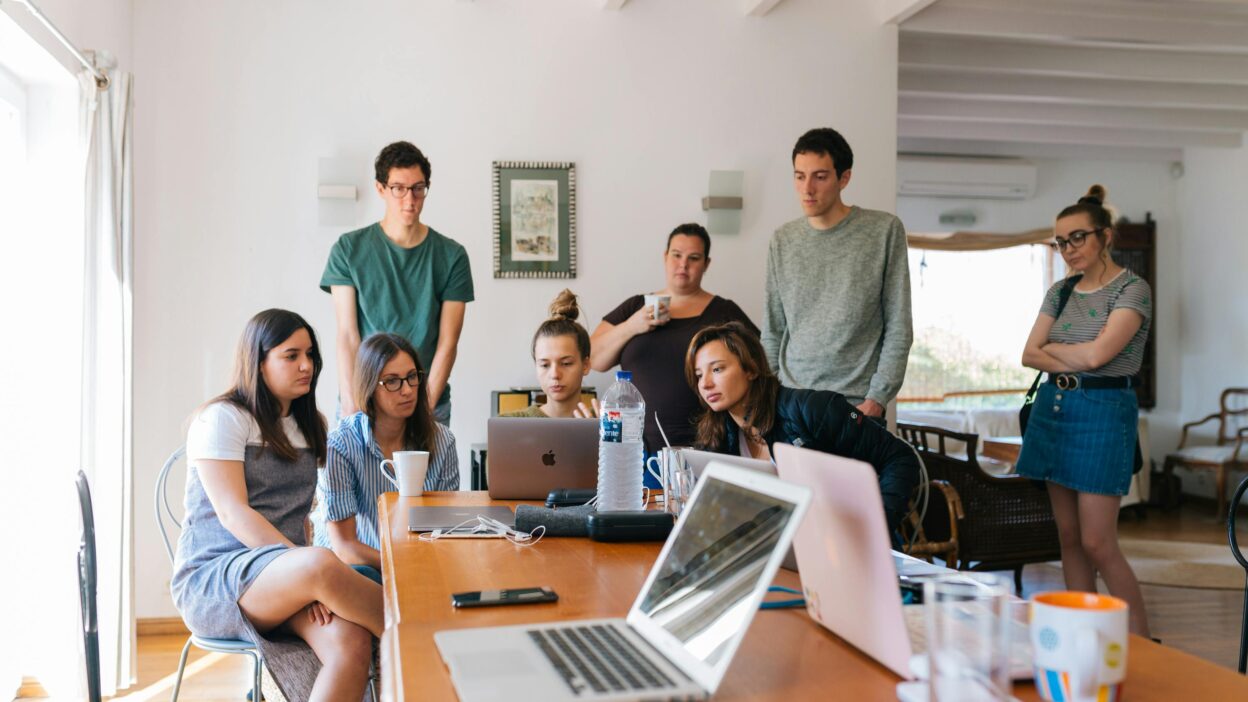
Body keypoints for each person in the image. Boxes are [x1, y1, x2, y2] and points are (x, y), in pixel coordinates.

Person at [173, 309, 380, 701]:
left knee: (350, 640)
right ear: (259, 360)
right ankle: (430, 639)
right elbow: (235, 514)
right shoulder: (223, 418)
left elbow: (301, 516)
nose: (307, 365)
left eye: (311, 355)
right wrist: (304, 571)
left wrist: (304, 576)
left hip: (287, 579)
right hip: (217, 579)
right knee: (321, 562)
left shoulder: (311, 425)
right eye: (291, 355)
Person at [1018, 185, 1152, 637]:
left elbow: (1099, 358)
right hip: (1054, 410)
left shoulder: (1133, 289)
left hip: (1103, 413)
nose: (1068, 249)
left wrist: (1057, 349)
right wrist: (1070, 352)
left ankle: (1140, 641)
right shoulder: (1060, 291)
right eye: (1060, 241)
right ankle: (1083, 634)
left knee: (1098, 541)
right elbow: (1029, 355)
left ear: (1105, 237)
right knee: (1069, 539)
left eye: (1078, 237)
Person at [686, 321, 919, 535]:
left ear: (751, 369)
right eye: (699, 375)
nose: (705, 384)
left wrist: (875, 528)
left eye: (717, 369)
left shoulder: (814, 409)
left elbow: (900, 457)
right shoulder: (717, 434)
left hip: (846, 542)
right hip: (786, 546)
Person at [763, 127, 912, 420]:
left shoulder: (883, 231)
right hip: (791, 402)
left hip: (856, 406)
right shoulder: (783, 240)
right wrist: (769, 397)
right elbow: (773, 330)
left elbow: (899, 325)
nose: (807, 189)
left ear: (844, 178)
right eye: (799, 176)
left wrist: (877, 399)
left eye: (820, 177)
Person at [321, 141, 474, 424]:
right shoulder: (348, 250)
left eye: (418, 188)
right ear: (381, 188)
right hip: (365, 400)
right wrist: (352, 406)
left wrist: (423, 411)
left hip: (427, 401)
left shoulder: (452, 256)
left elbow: (448, 343)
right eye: (399, 188)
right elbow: (347, 335)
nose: (410, 199)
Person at [591, 223, 758, 469]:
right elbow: (593, 358)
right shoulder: (635, 306)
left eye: (694, 258)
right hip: (635, 451)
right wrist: (632, 326)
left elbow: (758, 366)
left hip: (710, 448)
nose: (683, 265)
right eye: (676, 255)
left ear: (706, 264)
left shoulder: (724, 311)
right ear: (665, 257)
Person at [315, 333, 460, 574]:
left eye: (412, 377)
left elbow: (445, 529)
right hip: (356, 569)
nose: (407, 391)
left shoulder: (443, 440)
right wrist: (403, 564)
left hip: (419, 565)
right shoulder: (340, 445)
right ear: (370, 386)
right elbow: (345, 547)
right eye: (392, 381)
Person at [503, 289, 597, 419]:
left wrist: (601, 437)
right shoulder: (509, 424)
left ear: (585, 365)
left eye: (566, 363)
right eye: (545, 365)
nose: (554, 375)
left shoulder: (605, 424)